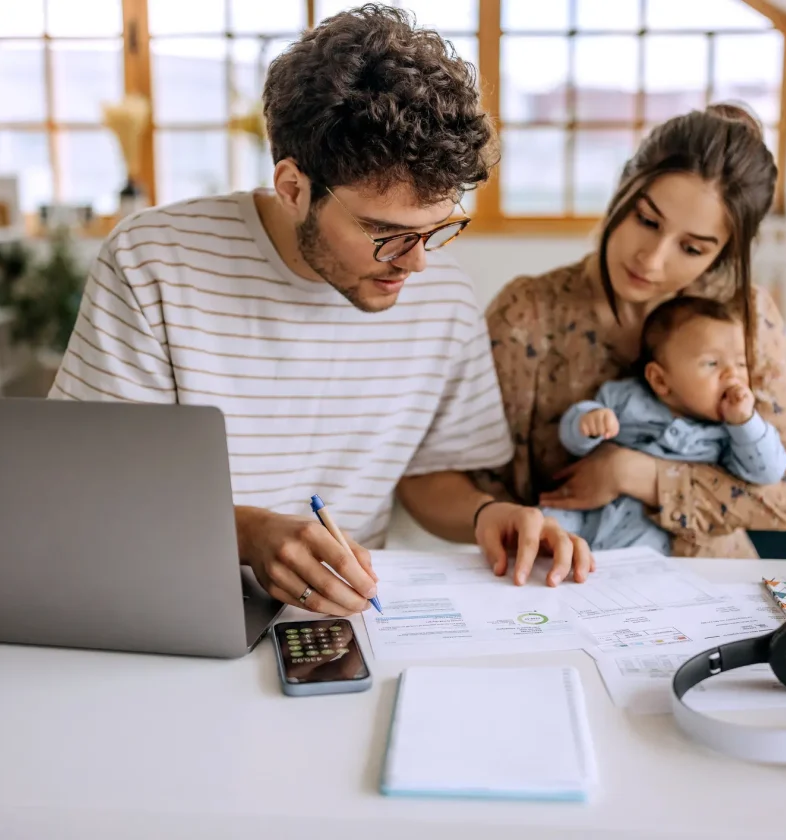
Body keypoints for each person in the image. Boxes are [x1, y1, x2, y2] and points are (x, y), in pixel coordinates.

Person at [47, 4, 590, 617]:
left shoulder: (443, 296)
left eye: (438, 229)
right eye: (386, 233)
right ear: (292, 187)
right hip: (173, 600)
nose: (416, 265)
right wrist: (248, 534)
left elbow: (428, 476)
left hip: (348, 617)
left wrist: (490, 515)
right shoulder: (156, 261)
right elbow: (92, 487)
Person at [477, 103, 786, 559]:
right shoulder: (526, 314)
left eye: (692, 248)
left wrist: (632, 473)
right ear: (622, 187)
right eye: (647, 221)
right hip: (560, 576)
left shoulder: (746, 316)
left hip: (711, 587)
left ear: (722, 254)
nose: (652, 259)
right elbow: (474, 484)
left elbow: (783, 497)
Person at [541, 295, 786, 554]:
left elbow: (768, 472)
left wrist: (745, 422)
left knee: (642, 560)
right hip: (588, 511)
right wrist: (587, 422)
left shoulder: (729, 434)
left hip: (648, 527)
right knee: (545, 523)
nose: (733, 374)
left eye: (741, 363)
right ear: (660, 380)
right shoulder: (626, 397)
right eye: (712, 363)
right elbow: (572, 442)